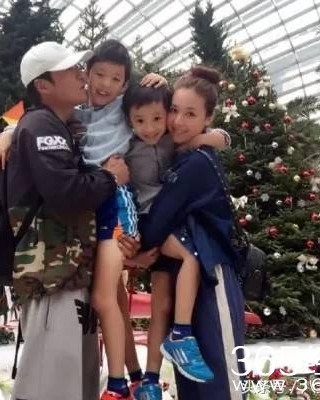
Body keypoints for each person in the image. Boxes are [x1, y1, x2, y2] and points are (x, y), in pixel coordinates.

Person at [6, 41, 135, 400]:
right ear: (43, 85)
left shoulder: (62, 126)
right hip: (51, 278)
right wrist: (110, 177)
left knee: (75, 380)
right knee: (51, 382)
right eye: (70, 70)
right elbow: (65, 191)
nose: (82, 75)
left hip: (69, 273)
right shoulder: (42, 125)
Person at [139, 66, 246, 400]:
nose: (177, 121)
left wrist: (135, 250)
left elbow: (159, 219)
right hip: (190, 279)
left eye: (190, 114)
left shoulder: (196, 163)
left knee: (222, 382)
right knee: (194, 385)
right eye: (173, 110)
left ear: (207, 118)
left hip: (212, 277)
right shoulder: (177, 155)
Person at [119, 84, 231, 400]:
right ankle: (181, 334)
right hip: (147, 224)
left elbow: (223, 137)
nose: (151, 127)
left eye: (159, 117)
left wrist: (204, 138)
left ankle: (151, 381)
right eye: (141, 121)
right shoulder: (126, 146)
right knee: (191, 257)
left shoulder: (174, 141)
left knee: (162, 307)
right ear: (129, 120)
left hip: (170, 223)